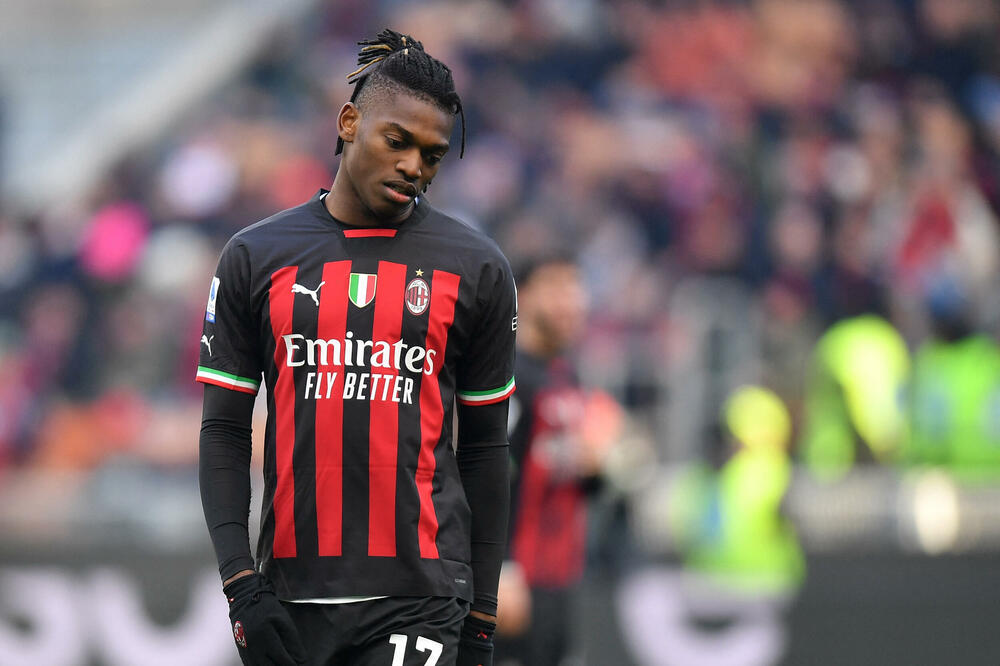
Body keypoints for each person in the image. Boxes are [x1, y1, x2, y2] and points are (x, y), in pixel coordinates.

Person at [196, 29, 516, 666]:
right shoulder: (255, 256)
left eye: (432, 155)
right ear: (348, 123)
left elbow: (485, 449)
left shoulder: (477, 268)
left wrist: (482, 619)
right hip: (291, 596)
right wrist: (240, 586)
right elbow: (224, 431)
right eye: (397, 142)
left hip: (421, 596)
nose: (414, 167)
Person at [495, 253, 621, 666]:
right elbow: (493, 475)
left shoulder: (568, 376)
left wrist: (599, 465)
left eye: (576, 287)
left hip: (561, 575)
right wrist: (503, 567)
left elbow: (578, 481)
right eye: (557, 287)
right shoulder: (505, 372)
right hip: (517, 576)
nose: (572, 301)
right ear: (524, 296)